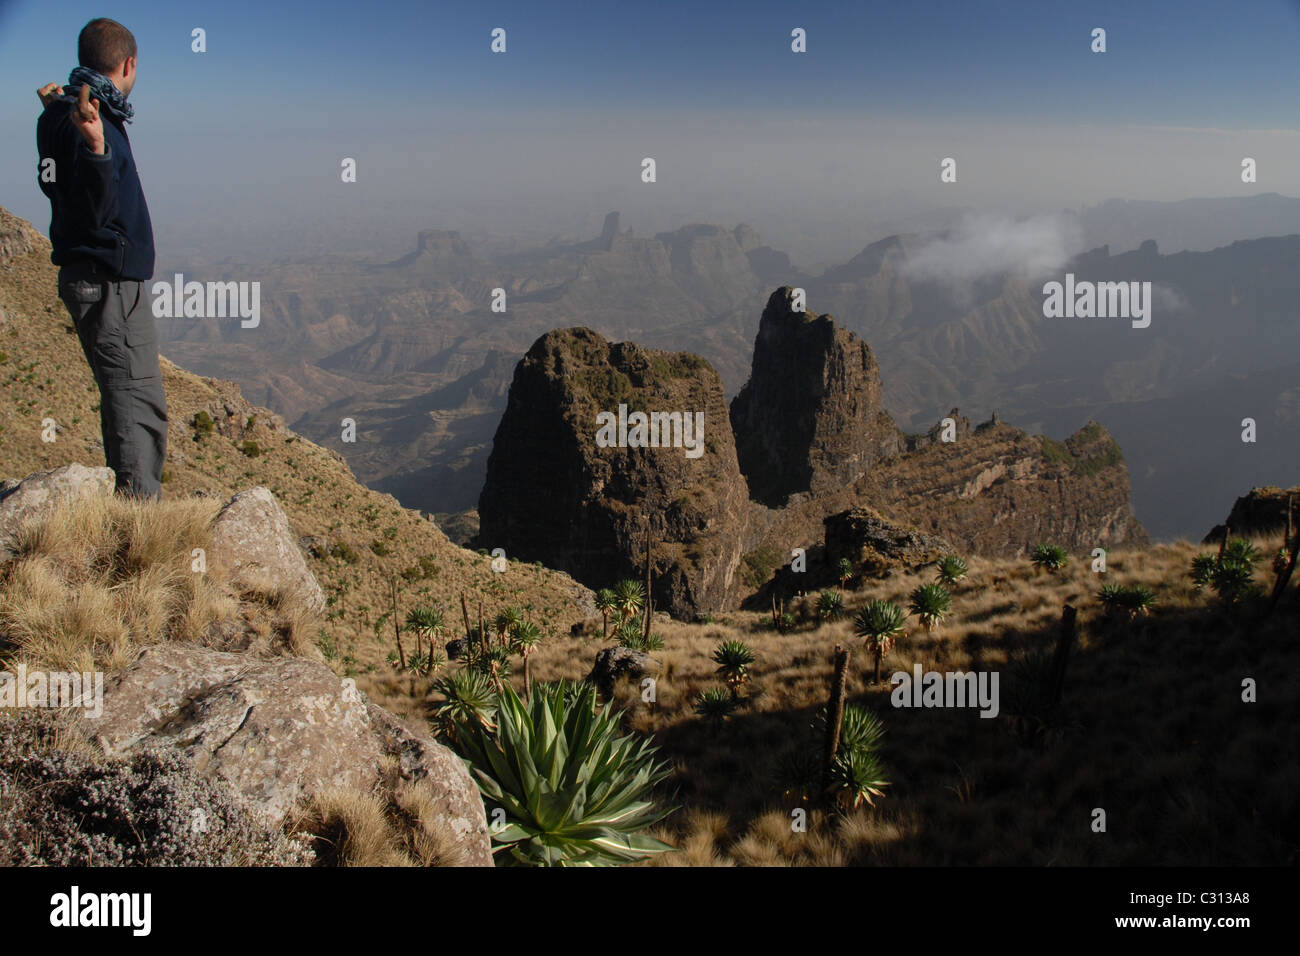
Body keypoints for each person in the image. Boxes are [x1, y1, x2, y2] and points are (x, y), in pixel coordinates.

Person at [36, 17, 167, 500]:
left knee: (122, 398)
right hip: (110, 282)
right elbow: (95, 211)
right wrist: (93, 149)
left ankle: (127, 510)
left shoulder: (62, 112)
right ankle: (138, 528)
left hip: (89, 278)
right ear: (128, 64)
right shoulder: (92, 120)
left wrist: (57, 125)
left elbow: (51, 184)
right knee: (138, 405)